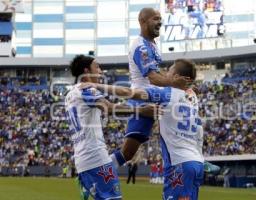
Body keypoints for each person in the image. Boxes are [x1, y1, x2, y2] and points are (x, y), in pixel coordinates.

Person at [81, 59, 205, 200]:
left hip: (180, 165)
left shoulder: (165, 93)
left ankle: (93, 177)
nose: (165, 74)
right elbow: (189, 92)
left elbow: (127, 92)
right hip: (197, 163)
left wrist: (96, 85)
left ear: (177, 77)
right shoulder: (193, 97)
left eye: (169, 71)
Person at [110, 7, 189, 169]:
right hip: (143, 98)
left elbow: (157, 74)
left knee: (186, 112)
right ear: (143, 22)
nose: (160, 22)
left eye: (160, 18)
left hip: (156, 95)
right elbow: (153, 78)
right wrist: (175, 83)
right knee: (127, 152)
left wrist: (176, 84)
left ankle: (196, 158)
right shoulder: (141, 47)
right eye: (155, 18)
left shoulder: (152, 44)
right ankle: (95, 172)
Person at [65, 55, 153, 200]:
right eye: (97, 67)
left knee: (125, 155)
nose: (101, 71)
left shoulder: (69, 95)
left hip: (84, 161)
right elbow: (108, 107)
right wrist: (140, 111)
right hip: (95, 160)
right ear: (86, 71)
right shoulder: (86, 89)